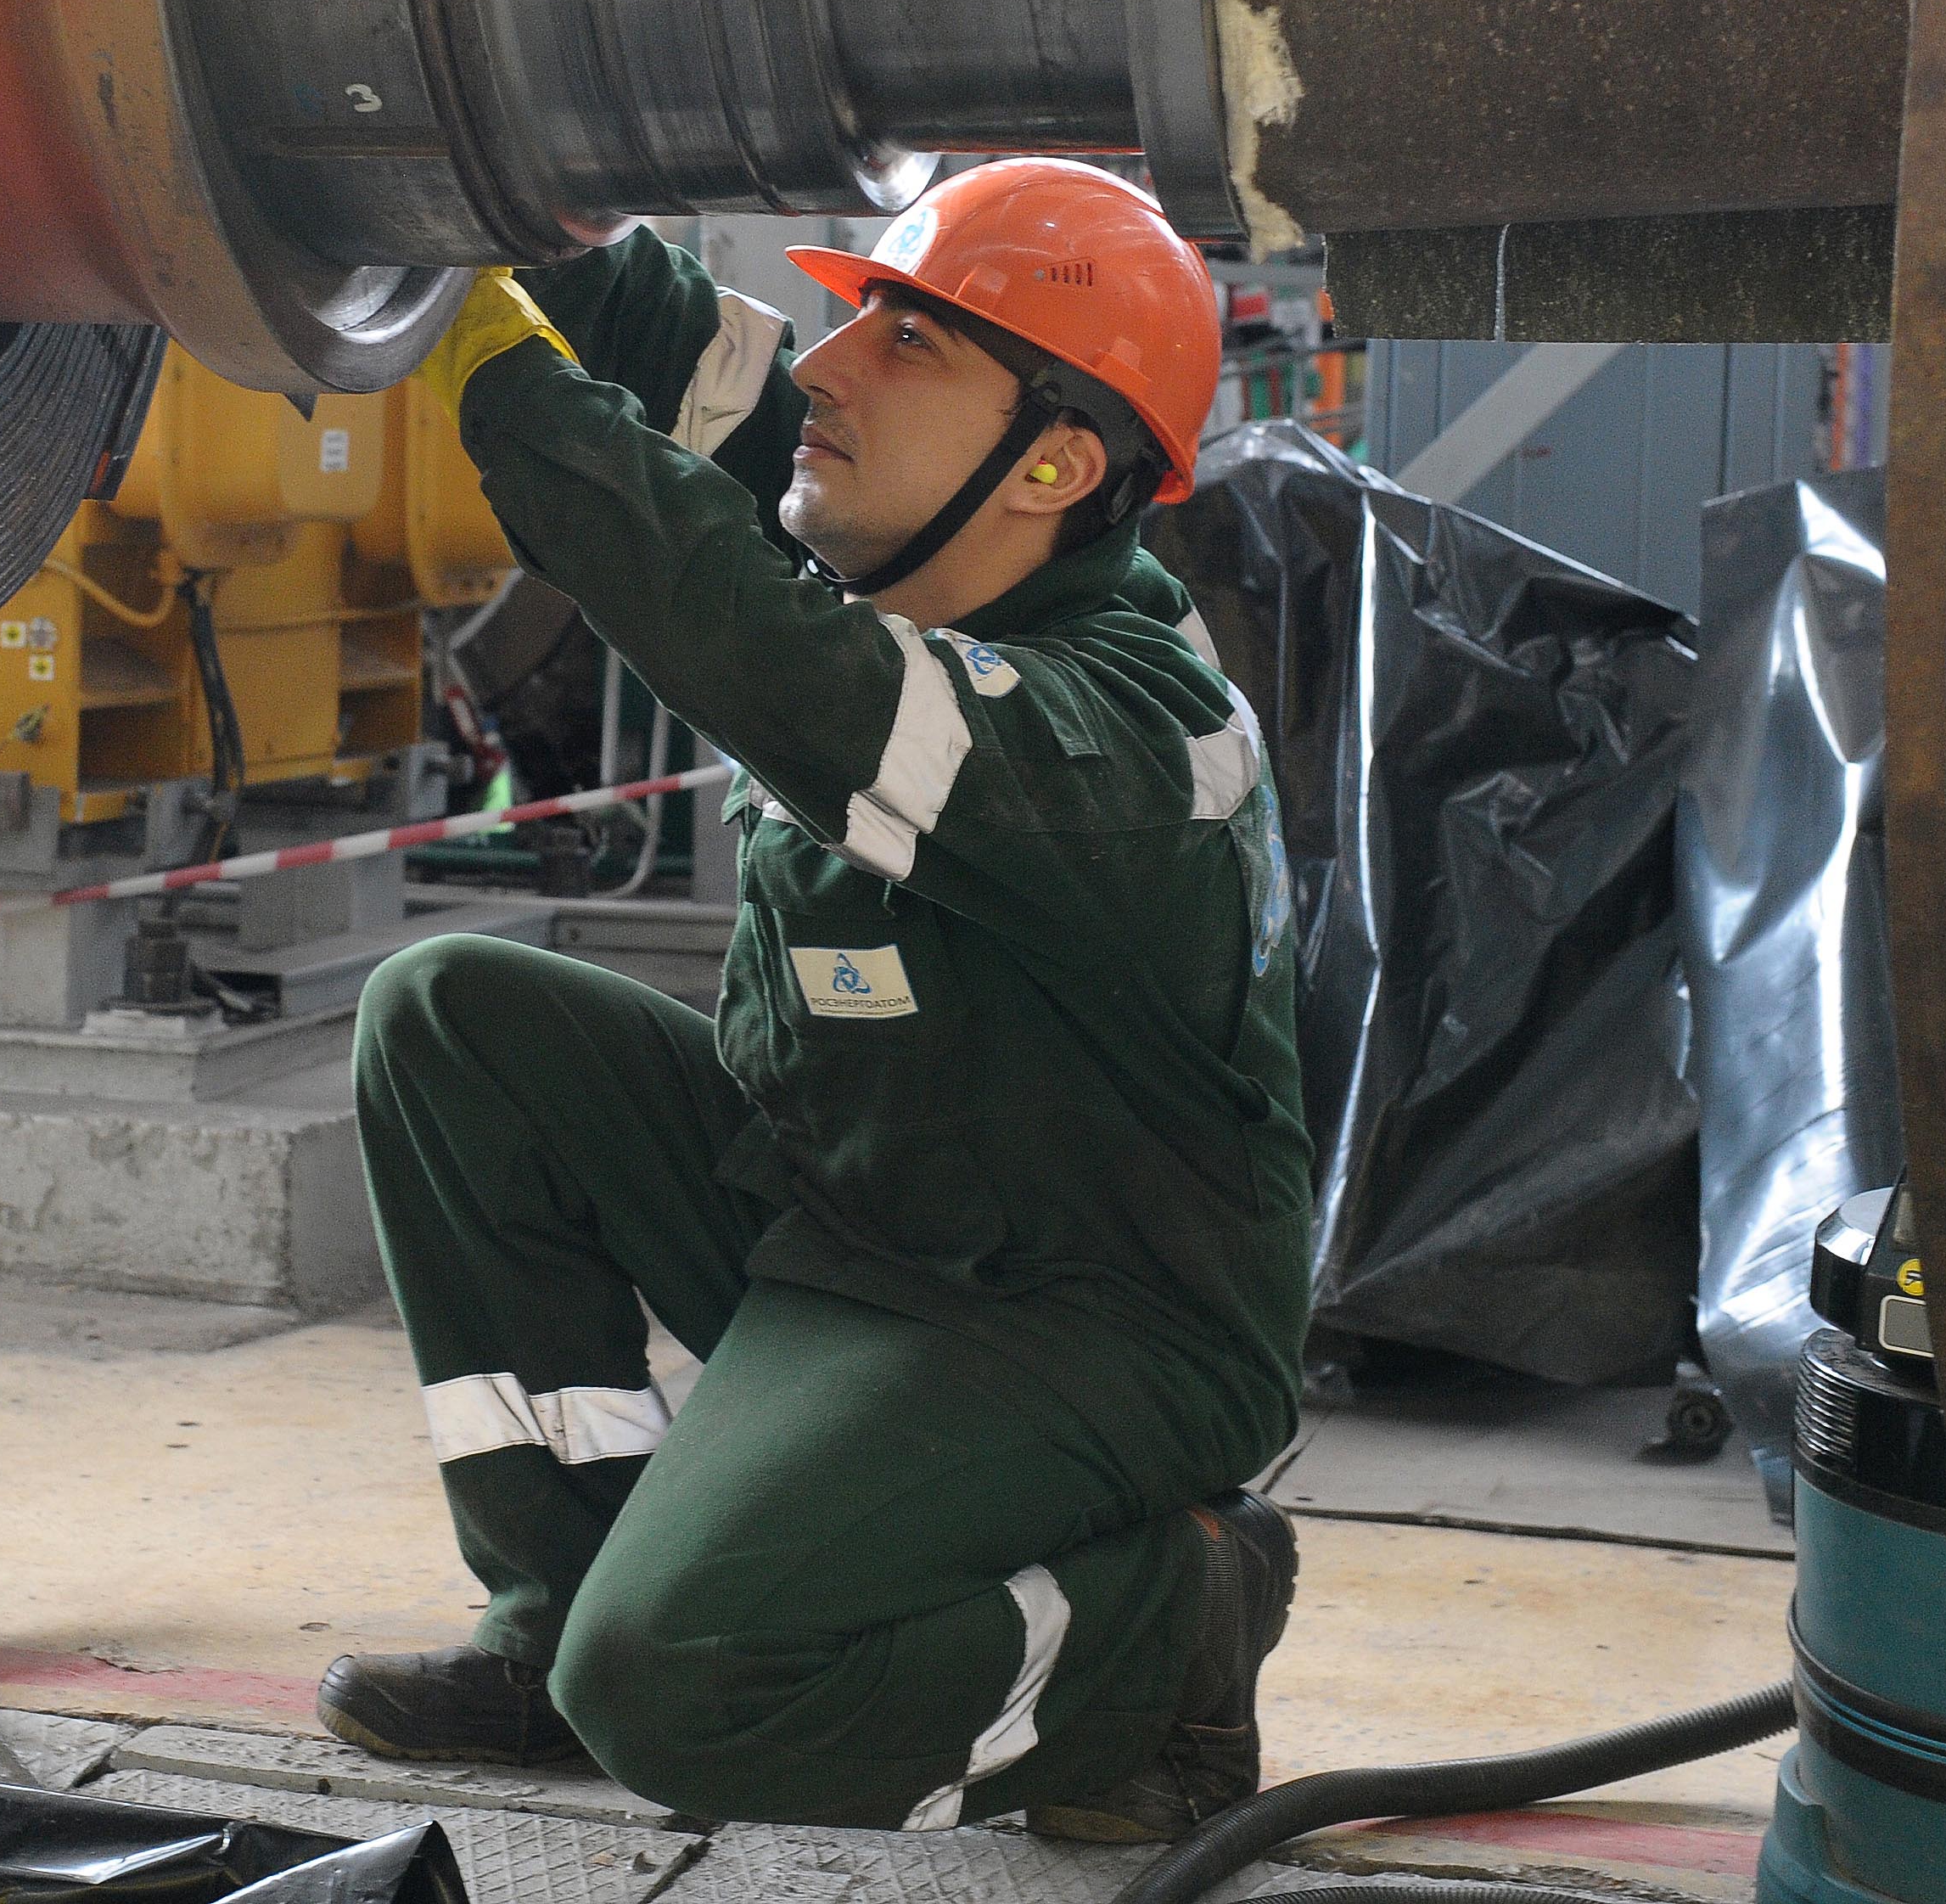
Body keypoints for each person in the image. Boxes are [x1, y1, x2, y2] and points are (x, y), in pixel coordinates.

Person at [317, 159, 1313, 1841]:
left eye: (908, 342)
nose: (829, 368)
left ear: (1055, 464)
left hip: (1087, 1315)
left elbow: (750, 640)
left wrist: (492, 372)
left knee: (683, 1688)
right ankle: (553, 1610)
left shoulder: (1122, 742)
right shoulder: (932, 545)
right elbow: (666, 341)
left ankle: (1172, 1626)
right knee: (449, 1023)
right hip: (854, 1215)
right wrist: (472, 202)